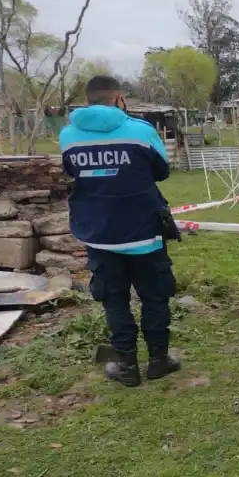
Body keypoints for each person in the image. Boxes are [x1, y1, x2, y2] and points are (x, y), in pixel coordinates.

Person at [59, 75, 181, 387]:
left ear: (88, 99)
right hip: (144, 233)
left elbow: (73, 172)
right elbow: (162, 172)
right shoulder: (141, 131)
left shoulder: (68, 136)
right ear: (119, 98)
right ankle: (158, 360)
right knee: (154, 297)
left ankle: (126, 365)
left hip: (98, 235)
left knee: (114, 300)